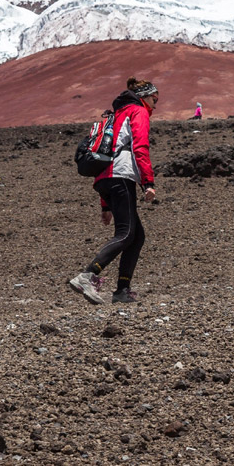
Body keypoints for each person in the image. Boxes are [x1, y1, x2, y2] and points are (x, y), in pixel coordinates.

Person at [70, 77, 158, 305]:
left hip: (105, 179)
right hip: (121, 176)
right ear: (144, 96)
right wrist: (148, 183)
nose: (155, 106)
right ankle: (87, 276)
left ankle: (122, 290)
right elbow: (139, 146)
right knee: (126, 234)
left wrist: (105, 205)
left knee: (136, 237)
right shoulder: (137, 111)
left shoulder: (115, 114)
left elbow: (106, 154)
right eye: (154, 100)